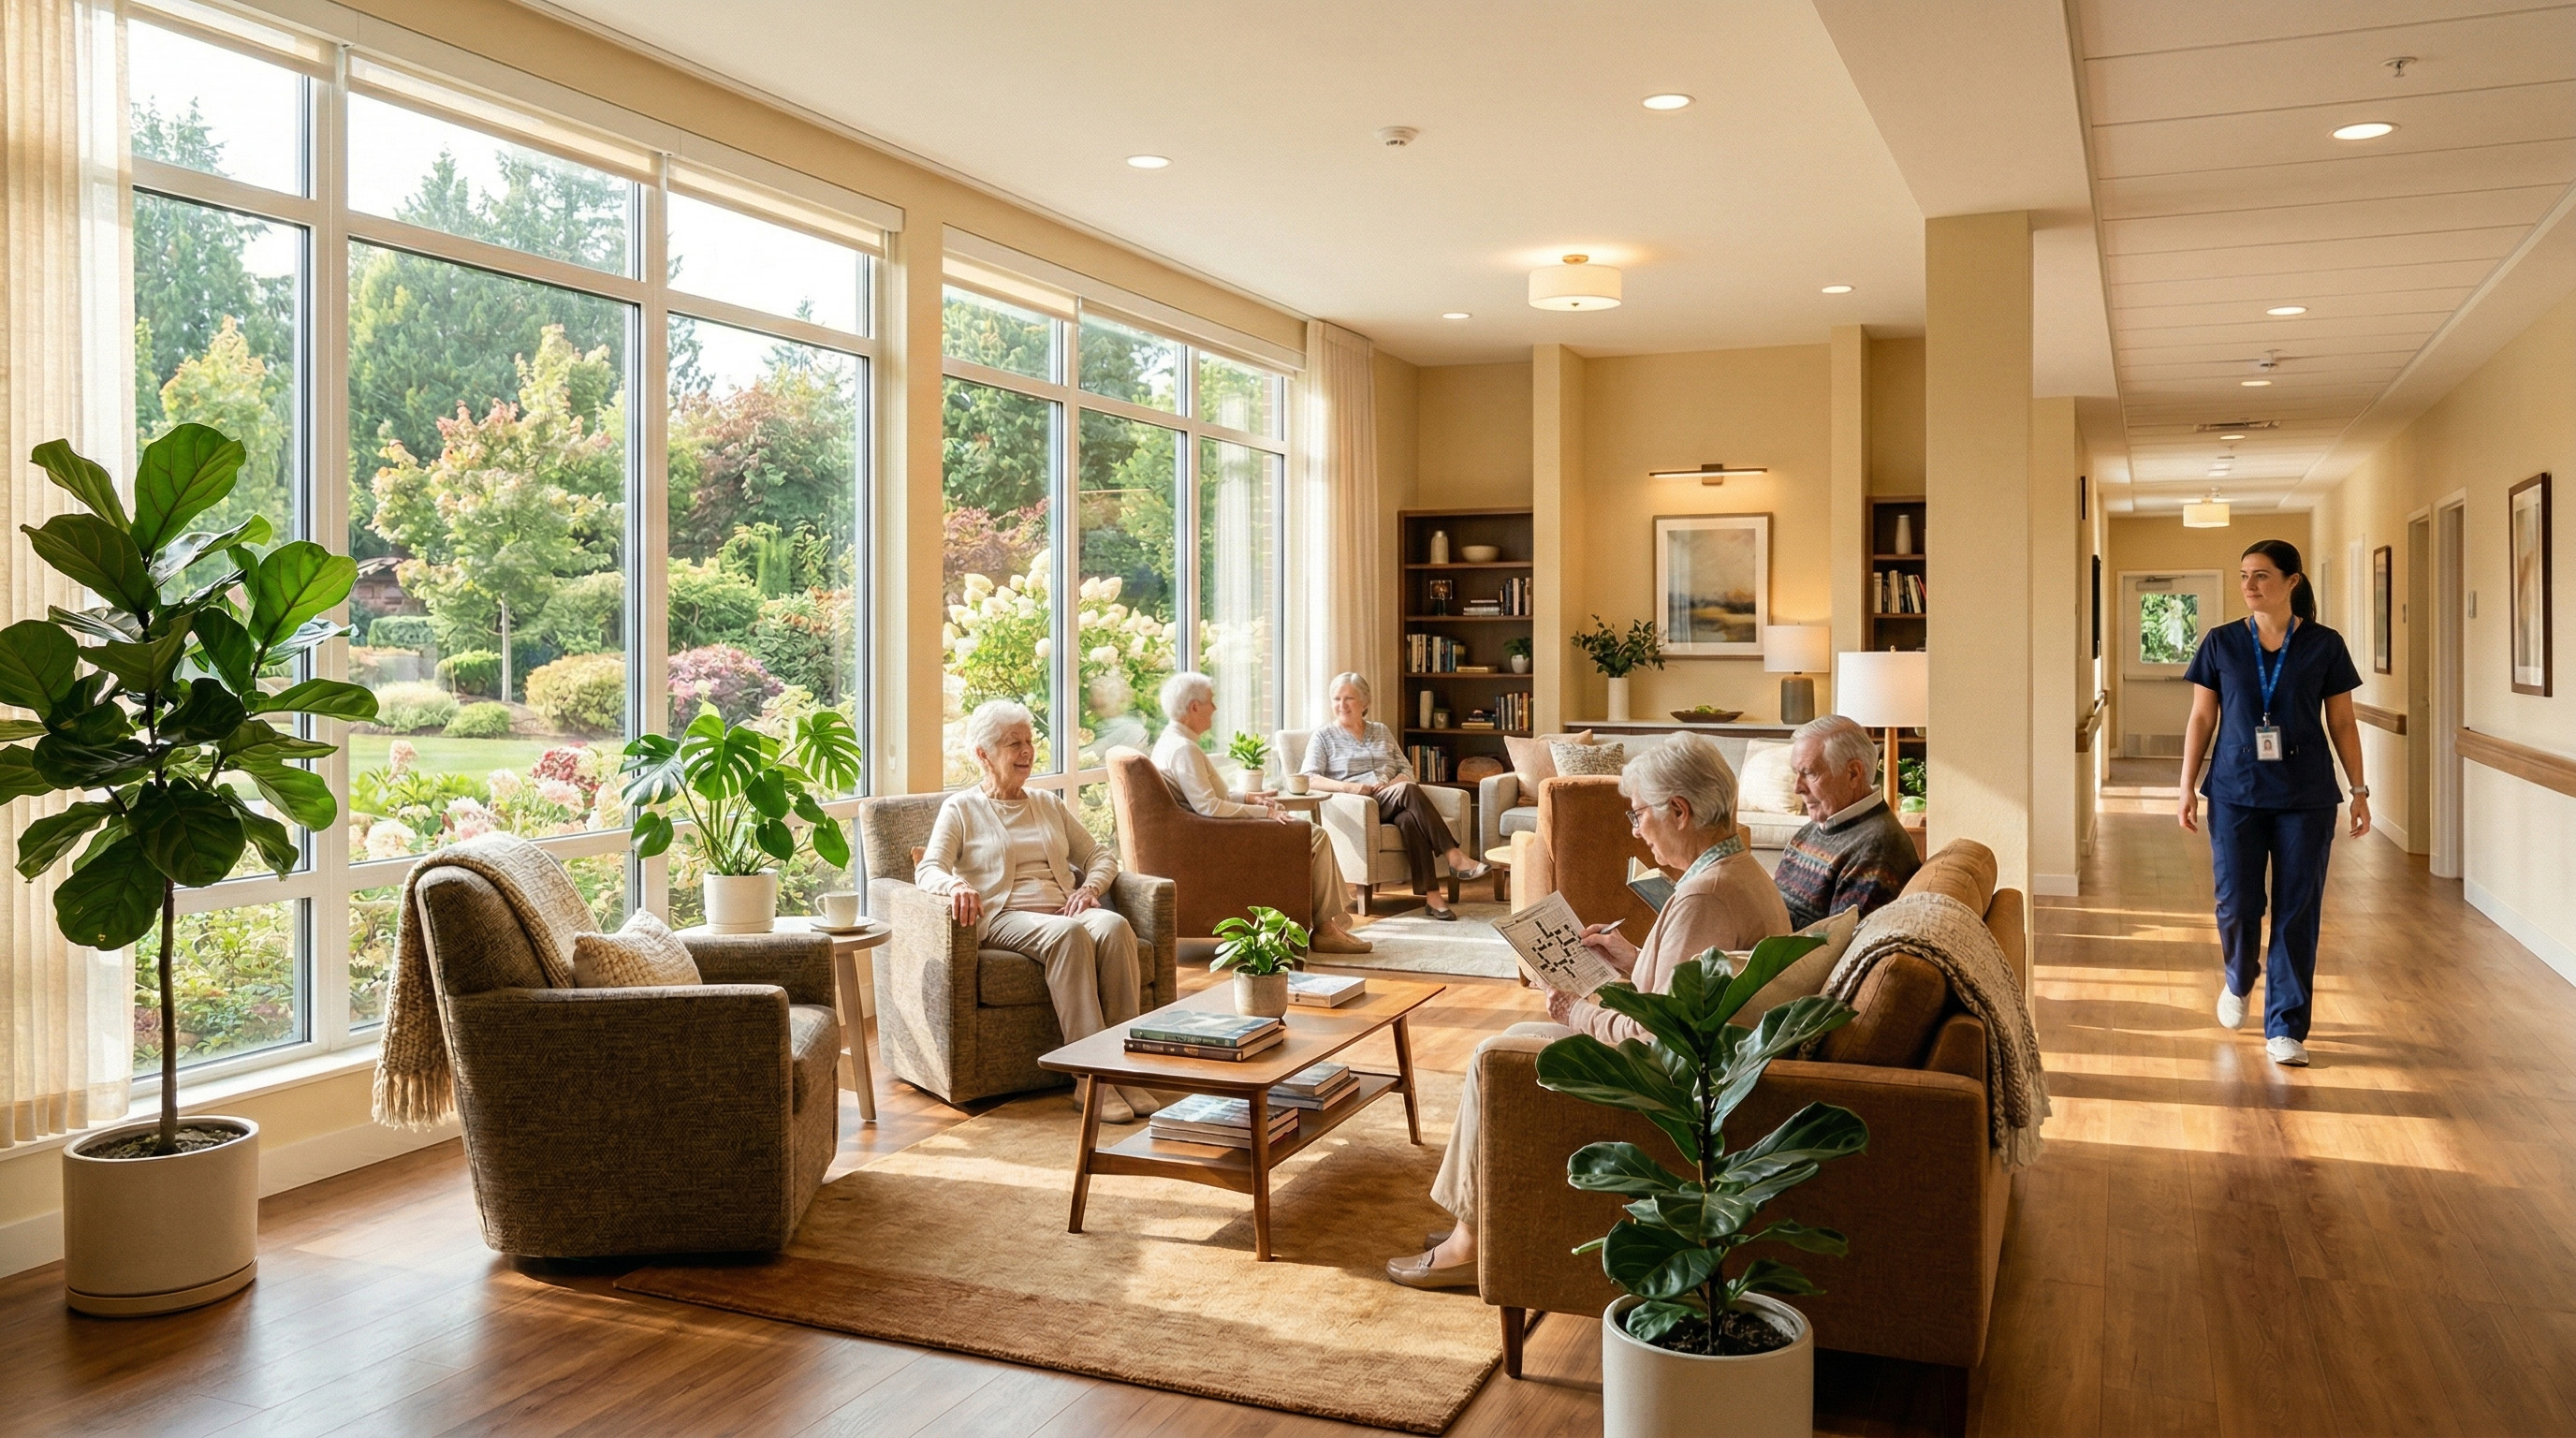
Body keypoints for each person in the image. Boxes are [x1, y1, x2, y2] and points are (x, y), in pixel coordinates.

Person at [1386, 733, 1792, 1289]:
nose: (1636, 830)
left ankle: (1468, 1244)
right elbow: (1690, 989)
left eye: (1639, 814)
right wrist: (1629, 958)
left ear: (1679, 811)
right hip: (1700, 1069)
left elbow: (1655, 1037)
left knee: (1491, 1053)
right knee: (1515, 1033)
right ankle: (1478, 1219)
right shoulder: (1735, 872)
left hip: (1672, 1088)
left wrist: (1576, 1011)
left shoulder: (1705, 895)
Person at [2177, 538, 2368, 1068]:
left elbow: (2343, 722)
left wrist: (2359, 790)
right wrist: (2186, 785)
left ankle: (2286, 1026)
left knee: (2297, 909)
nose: (2249, 585)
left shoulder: (2325, 645)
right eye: (2244, 575)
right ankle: (2239, 975)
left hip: (2305, 794)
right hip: (2235, 790)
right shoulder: (2220, 642)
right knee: (2236, 902)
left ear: (2292, 581)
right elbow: (2202, 717)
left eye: (2261, 575)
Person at [919, 700, 1159, 1123]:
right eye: (1014, 743)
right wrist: (955, 884)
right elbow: (928, 869)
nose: (1027, 751)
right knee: (1069, 935)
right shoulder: (961, 809)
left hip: (1065, 906)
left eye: (1029, 741)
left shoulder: (1048, 803)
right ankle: (1089, 1079)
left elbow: (1101, 856)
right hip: (1005, 915)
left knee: (1114, 926)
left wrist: (1089, 888)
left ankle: (1122, 1068)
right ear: (983, 754)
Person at [1151, 671, 1373, 955]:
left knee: (1311, 834)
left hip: (1208, 834)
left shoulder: (1171, 742)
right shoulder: (1184, 750)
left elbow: (1205, 798)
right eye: (1211, 701)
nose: (1215, 708)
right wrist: (1263, 813)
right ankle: (1327, 930)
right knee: (1314, 835)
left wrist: (1249, 797)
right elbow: (1209, 807)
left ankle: (1329, 925)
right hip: (1217, 842)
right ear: (1195, 707)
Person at [1298, 672, 1488, 919]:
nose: (1342, 705)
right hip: (1358, 806)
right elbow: (1309, 778)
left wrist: (1389, 784)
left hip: (1390, 797)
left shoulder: (1380, 731)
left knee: (1409, 819)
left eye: (1349, 698)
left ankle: (1433, 898)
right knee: (1408, 790)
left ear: (1365, 702)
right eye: (1336, 699)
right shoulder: (1324, 737)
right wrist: (1352, 788)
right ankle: (1454, 856)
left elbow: (1407, 771)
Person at [1771, 713, 1922, 929]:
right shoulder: (1818, 828)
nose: (1797, 788)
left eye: (1809, 773)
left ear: (1853, 774)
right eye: (1796, 773)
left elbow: (1837, 941)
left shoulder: (1877, 849)